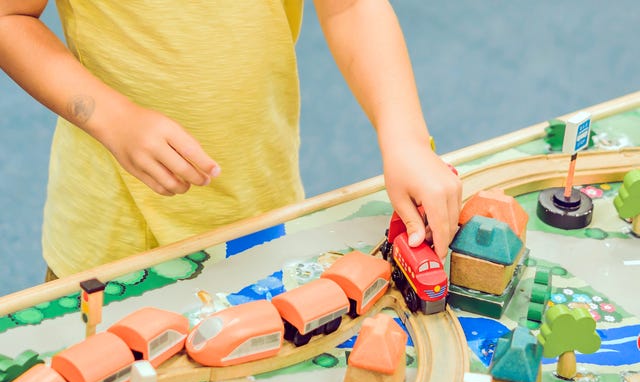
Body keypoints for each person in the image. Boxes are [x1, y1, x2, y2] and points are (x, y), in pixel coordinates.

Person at [0, 1, 462, 281]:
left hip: (260, 206)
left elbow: (351, 6)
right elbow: (10, 16)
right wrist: (113, 118)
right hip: (114, 236)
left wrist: (406, 139)